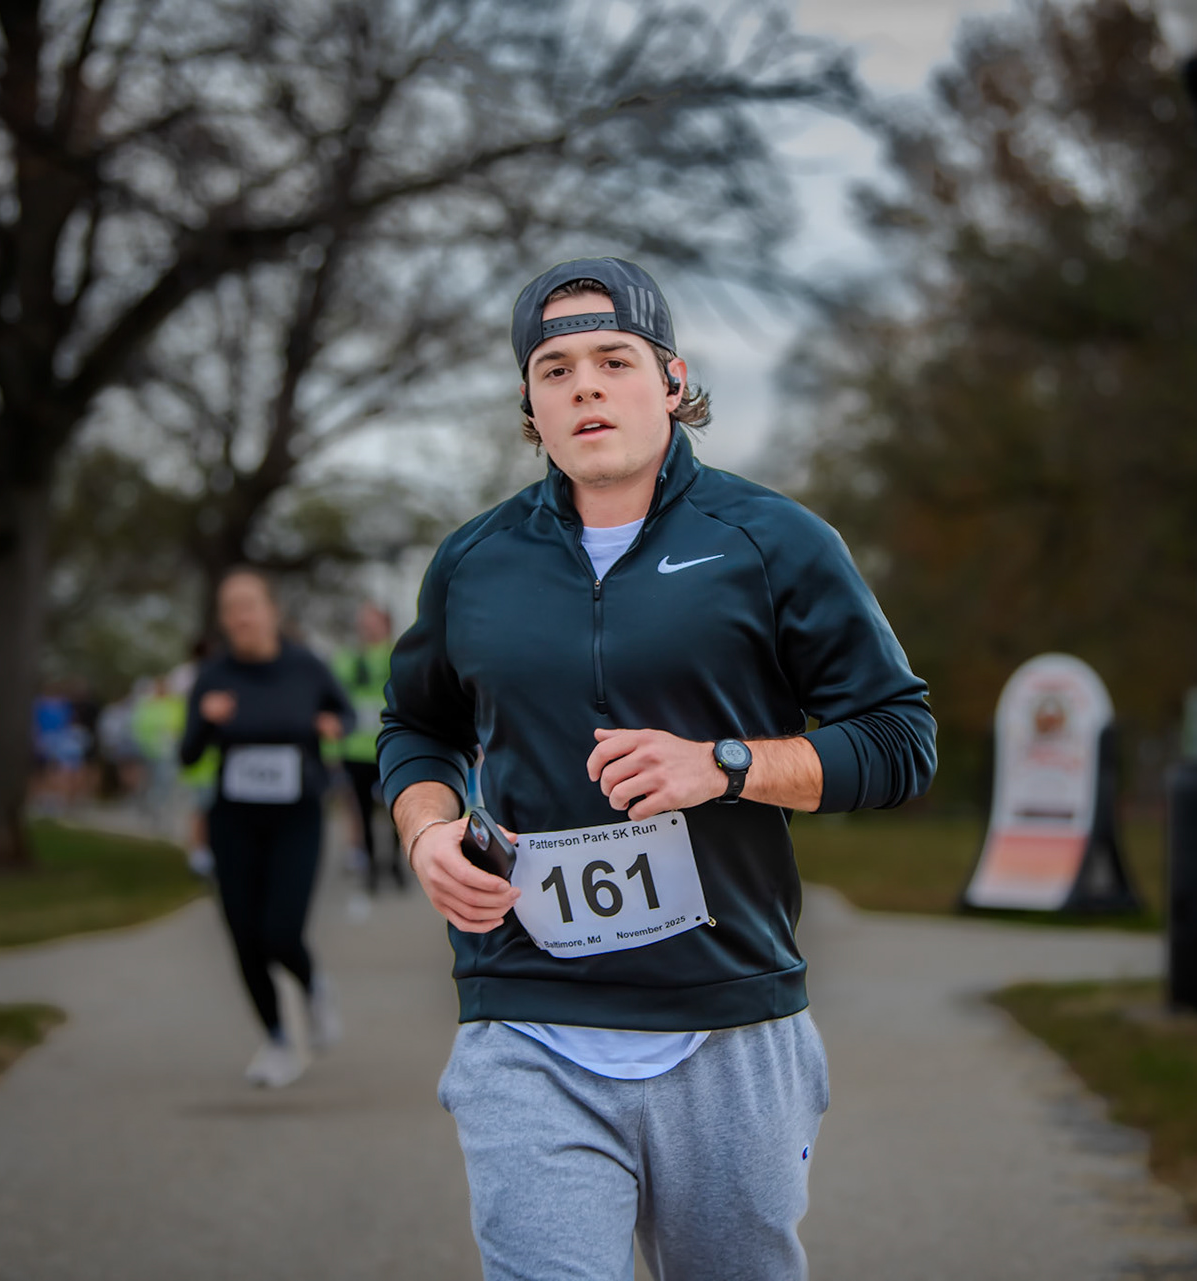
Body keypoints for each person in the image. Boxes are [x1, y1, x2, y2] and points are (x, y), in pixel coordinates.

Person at [378, 257, 936, 1278]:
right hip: (526, 1015)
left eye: (613, 360)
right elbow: (415, 727)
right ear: (530, 405)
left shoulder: (774, 542)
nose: (584, 387)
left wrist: (726, 765)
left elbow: (900, 741)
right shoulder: (472, 562)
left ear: (672, 381)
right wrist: (426, 831)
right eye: (555, 370)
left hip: (729, 1015)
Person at [180, 568, 357, 1089]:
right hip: (234, 819)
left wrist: (334, 725)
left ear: (271, 611)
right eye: (230, 608)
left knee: (280, 930)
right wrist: (207, 720)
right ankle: (278, 1039)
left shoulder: (306, 666)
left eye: (249, 605)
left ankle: (313, 986)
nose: (240, 617)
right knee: (244, 935)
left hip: (296, 815)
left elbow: (345, 714)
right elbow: (187, 754)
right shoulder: (213, 676)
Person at [330, 603, 406, 905]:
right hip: (357, 750)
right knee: (362, 811)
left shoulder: (399, 655)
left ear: (385, 624)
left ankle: (397, 864)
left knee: (397, 809)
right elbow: (335, 700)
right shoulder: (347, 659)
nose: (366, 627)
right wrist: (333, 749)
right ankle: (372, 865)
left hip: (391, 746)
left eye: (372, 621)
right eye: (363, 622)